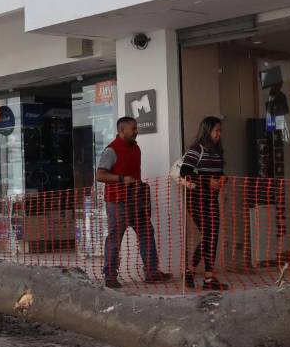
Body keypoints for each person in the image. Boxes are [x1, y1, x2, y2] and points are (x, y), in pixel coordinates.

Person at [96, 116, 170, 289]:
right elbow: (100, 175)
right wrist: (122, 179)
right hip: (117, 202)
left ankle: (152, 272)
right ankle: (110, 276)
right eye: (133, 128)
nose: (137, 131)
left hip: (136, 200)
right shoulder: (111, 150)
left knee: (146, 232)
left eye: (136, 128)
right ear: (122, 131)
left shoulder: (135, 148)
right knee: (115, 238)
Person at [178, 116, 228, 291]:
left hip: (211, 199)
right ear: (207, 131)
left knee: (212, 235)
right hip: (196, 200)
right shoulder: (196, 149)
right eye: (216, 131)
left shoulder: (216, 151)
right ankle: (195, 272)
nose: (219, 134)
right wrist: (207, 182)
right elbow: (185, 173)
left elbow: (221, 173)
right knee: (209, 234)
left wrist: (223, 180)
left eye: (220, 131)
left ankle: (205, 276)